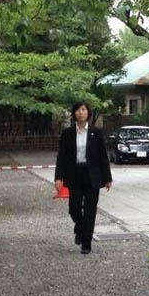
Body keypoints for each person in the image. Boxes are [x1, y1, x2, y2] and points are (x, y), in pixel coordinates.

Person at [54, 101, 112, 254]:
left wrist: (107, 178)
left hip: (93, 175)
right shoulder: (67, 133)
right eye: (78, 110)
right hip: (74, 174)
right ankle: (79, 228)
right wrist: (58, 177)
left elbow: (103, 156)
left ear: (88, 113)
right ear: (74, 113)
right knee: (74, 208)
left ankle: (86, 243)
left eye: (84, 109)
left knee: (90, 210)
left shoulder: (96, 132)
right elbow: (62, 157)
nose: (81, 112)